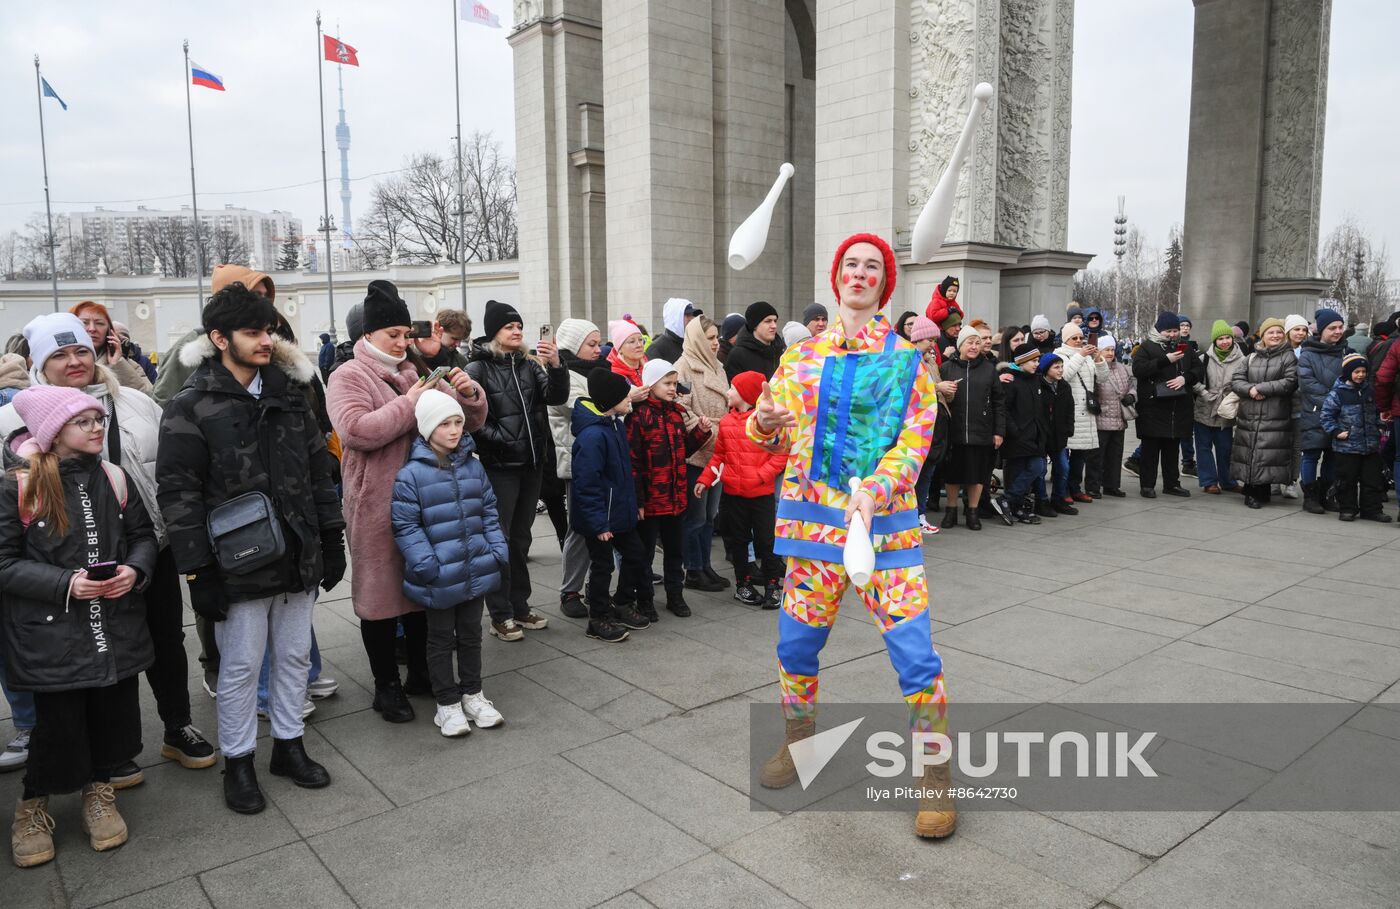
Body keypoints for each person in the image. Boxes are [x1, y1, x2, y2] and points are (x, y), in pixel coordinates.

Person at [749, 232, 954, 838]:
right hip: (812, 530)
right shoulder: (799, 357)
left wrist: (876, 491)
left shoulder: (907, 358)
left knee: (917, 658)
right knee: (795, 650)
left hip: (883, 532)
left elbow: (914, 442)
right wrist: (761, 420)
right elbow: (772, 433)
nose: (859, 273)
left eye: (871, 266)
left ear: (884, 283)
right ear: (836, 277)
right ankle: (799, 742)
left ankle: (936, 778)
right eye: (850, 264)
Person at [2, 313, 216, 782]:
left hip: (144, 546)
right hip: (60, 566)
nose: (74, 360)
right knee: (78, 655)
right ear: (37, 361)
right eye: (59, 354)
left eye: (80, 349)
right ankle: (99, 754)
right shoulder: (12, 418)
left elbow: (173, 467)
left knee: (164, 639)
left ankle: (176, 726)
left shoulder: (137, 402)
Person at [157, 283, 345, 815]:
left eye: (270, 330)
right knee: (240, 667)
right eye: (253, 332)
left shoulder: (290, 395)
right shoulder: (190, 406)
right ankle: (238, 762)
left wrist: (331, 539)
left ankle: (288, 747)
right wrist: (198, 573)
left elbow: (318, 472)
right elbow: (178, 493)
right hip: (235, 562)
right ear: (220, 339)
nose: (267, 340)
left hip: (297, 556)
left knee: (292, 656)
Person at [2, 386, 157, 866]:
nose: (97, 427)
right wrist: (64, 583)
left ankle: (99, 791)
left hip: (113, 627)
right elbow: (4, 562)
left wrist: (136, 569)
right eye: (83, 421)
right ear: (53, 432)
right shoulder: (19, 485)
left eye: (98, 419)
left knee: (111, 716)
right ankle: (32, 807)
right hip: (52, 638)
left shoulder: (114, 477)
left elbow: (142, 537)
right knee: (58, 727)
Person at [326, 280, 485, 724]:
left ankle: (420, 673)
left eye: (404, 334)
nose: (402, 342)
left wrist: (470, 393)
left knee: (421, 592)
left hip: (426, 502)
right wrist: (409, 404)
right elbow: (356, 430)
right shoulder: (348, 375)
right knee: (379, 599)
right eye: (392, 334)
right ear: (368, 335)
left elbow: (463, 421)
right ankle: (385, 687)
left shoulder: (415, 371)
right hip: (375, 505)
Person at [391, 390, 510, 738]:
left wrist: (496, 549)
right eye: (445, 423)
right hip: (440, 574)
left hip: (476, 567)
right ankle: (447, 704)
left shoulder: (474, 466)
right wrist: (427, 565)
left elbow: (489, 510)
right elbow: (405, 525)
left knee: (471, 635)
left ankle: (473, 694)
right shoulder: (411, 475)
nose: (454, 429)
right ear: (428, 428)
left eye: (458, 422)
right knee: (441, 638)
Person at [465, 300, 568, 640]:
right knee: (501, 540)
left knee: (521, 539)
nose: (517, 331)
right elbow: (472, 419)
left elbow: (555, 396)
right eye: (509, 326)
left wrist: (555, 364)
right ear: (495, 331)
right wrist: (504, 441)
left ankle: (520, 606)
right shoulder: (478, 368)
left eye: (519, 326)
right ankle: (500, 614)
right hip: (501, 467)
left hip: (532, 465)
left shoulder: (529, 363)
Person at [617, 359, 711, 619]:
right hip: (651, 500)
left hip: (675, 498)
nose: (672, 388)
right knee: (645, 554)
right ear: (650, 385)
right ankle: (645, 598)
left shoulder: (675, 413)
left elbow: (682, 452)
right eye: (666, 383)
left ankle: (675, 595)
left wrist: (700, 434)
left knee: (675, 551)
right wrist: (639, 500)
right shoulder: (637, 415)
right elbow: (633, 461)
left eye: (674, 383)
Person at [570, 369, 651, 642]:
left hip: (618, 512)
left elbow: (624, 474)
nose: (631, 399)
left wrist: (635, 503)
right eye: (625, 395)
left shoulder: (614, 424)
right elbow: (586, 483)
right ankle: (598, 618)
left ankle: (622, 602)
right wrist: (598, 524)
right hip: (600, 519)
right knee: (603, 566)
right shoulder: (593, 435)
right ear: (610, 400)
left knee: (636, 555)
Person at [699, 371, 786, 608]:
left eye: (732, 388)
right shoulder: (727, 422)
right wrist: (705, 480)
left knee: (767, 543)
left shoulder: (765, 422)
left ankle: (772, 586)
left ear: (746, 394)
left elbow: (780, 455)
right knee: (738, 542)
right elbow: (719, 456)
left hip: (761, 495)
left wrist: (759, 476)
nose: (728, 392)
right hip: (733, 495)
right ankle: (743, 585)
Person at [155, 265, 276, 406]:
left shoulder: (279, 339)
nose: (264, 303)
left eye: (266, 296)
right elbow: (164, 400)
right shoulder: (191, 347)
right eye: (256, 295)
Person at [549, 319, 604, 618]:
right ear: (573, 346)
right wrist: (624, 397)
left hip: (603, 458)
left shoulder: (599, 370)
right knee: (579, 530)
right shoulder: (563, 375)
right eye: (591, 344)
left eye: (599, 343)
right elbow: (588, 407)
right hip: (578, 462)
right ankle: (570, 590)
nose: (598, 350)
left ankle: (597, 585)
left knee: (601, 527)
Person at [675, 316, 731, 593]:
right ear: (697, 339)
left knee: (710, 515)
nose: (715, 342)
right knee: (695, 516)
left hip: (719, 452)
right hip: (697, 450)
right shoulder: (683, 366)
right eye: (709, 338)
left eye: (716, 337)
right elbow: (680, 407)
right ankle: (693, 569)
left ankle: (705, 564)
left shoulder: (718, 366)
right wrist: (703, 426)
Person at [939, 325, 1005, 531]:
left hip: (981, 430)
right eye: (970, 342)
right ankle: (951, 510)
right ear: (960, 345)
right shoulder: (947, 368)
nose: (974, 346)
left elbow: (998, 402)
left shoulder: (988, 370)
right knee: (953, 474)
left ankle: (973, 512)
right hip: (954, 430)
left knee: (977, 475)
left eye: (978, 343)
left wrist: (998, 431)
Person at [1230, 318, 1298, 509]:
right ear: (1263, 335)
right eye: (1270, 332)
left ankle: (1260, 491)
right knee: (1250, 451)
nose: (1275, 336)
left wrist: (1261, 388)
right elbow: (1236, 380)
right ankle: (1251, 491)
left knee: (1267, 454)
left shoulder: (1288, 356)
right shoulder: (1251, 357)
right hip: (1249, 414)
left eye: (1278, 332)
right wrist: (1251, 390)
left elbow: (1290, 381)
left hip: (1275, 414)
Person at [1132, 311, 1199, 498]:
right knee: (1150, 450)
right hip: (1153, 407)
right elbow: (1138, 370)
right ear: (1159, 330)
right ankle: (1147, 485)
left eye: (1175, 330)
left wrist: (1185, 378)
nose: (1172, 334)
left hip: (1177, 408)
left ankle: (1172, 483)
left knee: (1172, 449)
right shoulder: (1146, 347)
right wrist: (1165, 361)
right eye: (1168, 331)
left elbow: (1198, 369)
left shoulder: (1185, 348)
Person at [1321, 353, 1392, 523]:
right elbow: (1326, 416)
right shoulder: (1338, 393)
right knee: (1347, 479)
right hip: (1347, 446)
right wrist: (1336, 431)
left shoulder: (1369, 391)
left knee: (1372, 480)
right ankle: (1347, 508)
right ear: (1347, 373)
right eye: (1356, 371)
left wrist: (1380, 425)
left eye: (1363, 371)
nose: (1360, 374)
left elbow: (1376, 412)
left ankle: (1372, 509)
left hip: (1370, 445)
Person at [1297, 308, 1348, 514]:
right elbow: (1308, 384)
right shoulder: (1307, 354)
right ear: (1321, 331)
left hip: (1341, 414)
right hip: (1315, 411)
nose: (1337, 331)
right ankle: (1310, 497)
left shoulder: (1347, 351)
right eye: (1332, 328)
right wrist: (1335, 401)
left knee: (1332, 455)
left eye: (1340, 327)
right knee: (1311, 454)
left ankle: (1327, 494)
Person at [1192, 321, 1246, 494]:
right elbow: (1193, 380)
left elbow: (1245, 381)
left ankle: (1228, 480)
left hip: (1226, 409)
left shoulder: (1242, 359)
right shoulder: (1203, 358)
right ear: (1215, 341)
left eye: (1227, 338)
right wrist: (1203, 392)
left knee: (1226, 448)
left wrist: (1234, 394)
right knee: (1203, 447)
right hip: (1205, 407)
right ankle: (1209, 481)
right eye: (1220, 338)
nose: (1224, 342)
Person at [1057, 322, 1108, 505]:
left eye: (1080, 337)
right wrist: (1080, 355)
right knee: (1063, 457)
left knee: (1080, 456)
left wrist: (1099, 359)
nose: (1079, 341)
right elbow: (1064, 376)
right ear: (1066, 340)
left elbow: (1102, 378)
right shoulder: (1059, 354)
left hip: (1085, 413)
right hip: (1068, 412)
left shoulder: (1086, 356)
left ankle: (1075, 488)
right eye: (1074, 338)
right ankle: (1062, 490)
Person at [1002, 343, 1052, 523]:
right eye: (1033, 361)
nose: (1036, 364)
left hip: (1035, 435)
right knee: (1019, 470)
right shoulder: (1011, 380)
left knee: (1036, 467)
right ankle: (1015, 506)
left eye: (1038, 360)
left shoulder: (1036, 379)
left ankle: (1007, 500)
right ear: (1022, 361)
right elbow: (1005, 410)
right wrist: (1014, 430)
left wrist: (1043, 431)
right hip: (1017, 436)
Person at [909, 316, 949, 531]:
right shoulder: (910, 361)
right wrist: (938, 389)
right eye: (930, 339)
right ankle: (913, 517)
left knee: (926, 473)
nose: (934, 344)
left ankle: (919, 515)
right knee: (917, 475)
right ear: (918, 338)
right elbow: (912, 392)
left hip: (934, 423)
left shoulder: (930, 361)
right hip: (917, 426)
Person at [70, 302, 153, 396]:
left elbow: (148, 397)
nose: (92, 329)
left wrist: (118, 365)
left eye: (99, 323)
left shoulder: (128, 364)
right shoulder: (59, 361)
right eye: (84, 322)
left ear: (109, 331)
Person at [1088, 334, 1132, 497]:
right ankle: (1093, 486)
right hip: (1101, 419)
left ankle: (1112, 485)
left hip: (1119, 419)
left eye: (1112, 349)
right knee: (1097, 457)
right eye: (1106, 349)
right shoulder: (1093, 367)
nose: (1110, 353)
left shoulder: (1121, 367)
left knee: (1115, 455)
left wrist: (1132, 396)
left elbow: (1131, 386)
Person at [724, 301, 782, 381]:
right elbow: (734, 389)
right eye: (768, 321)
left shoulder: (781, 352)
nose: (774, 326)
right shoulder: (738, 355)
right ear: (754, 325)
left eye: (775, 321)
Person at [645, 298, 699, 364]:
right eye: (687, 315)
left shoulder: (694, 344)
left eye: (692, 314)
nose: (692, 318)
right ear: (675, 318)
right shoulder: (656, 349)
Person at [607, 319, 649, 388]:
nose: (639, 345)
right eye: (632, 341)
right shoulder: (613, 375)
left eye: (641, 340)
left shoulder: (649, 366)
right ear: (620, 349)